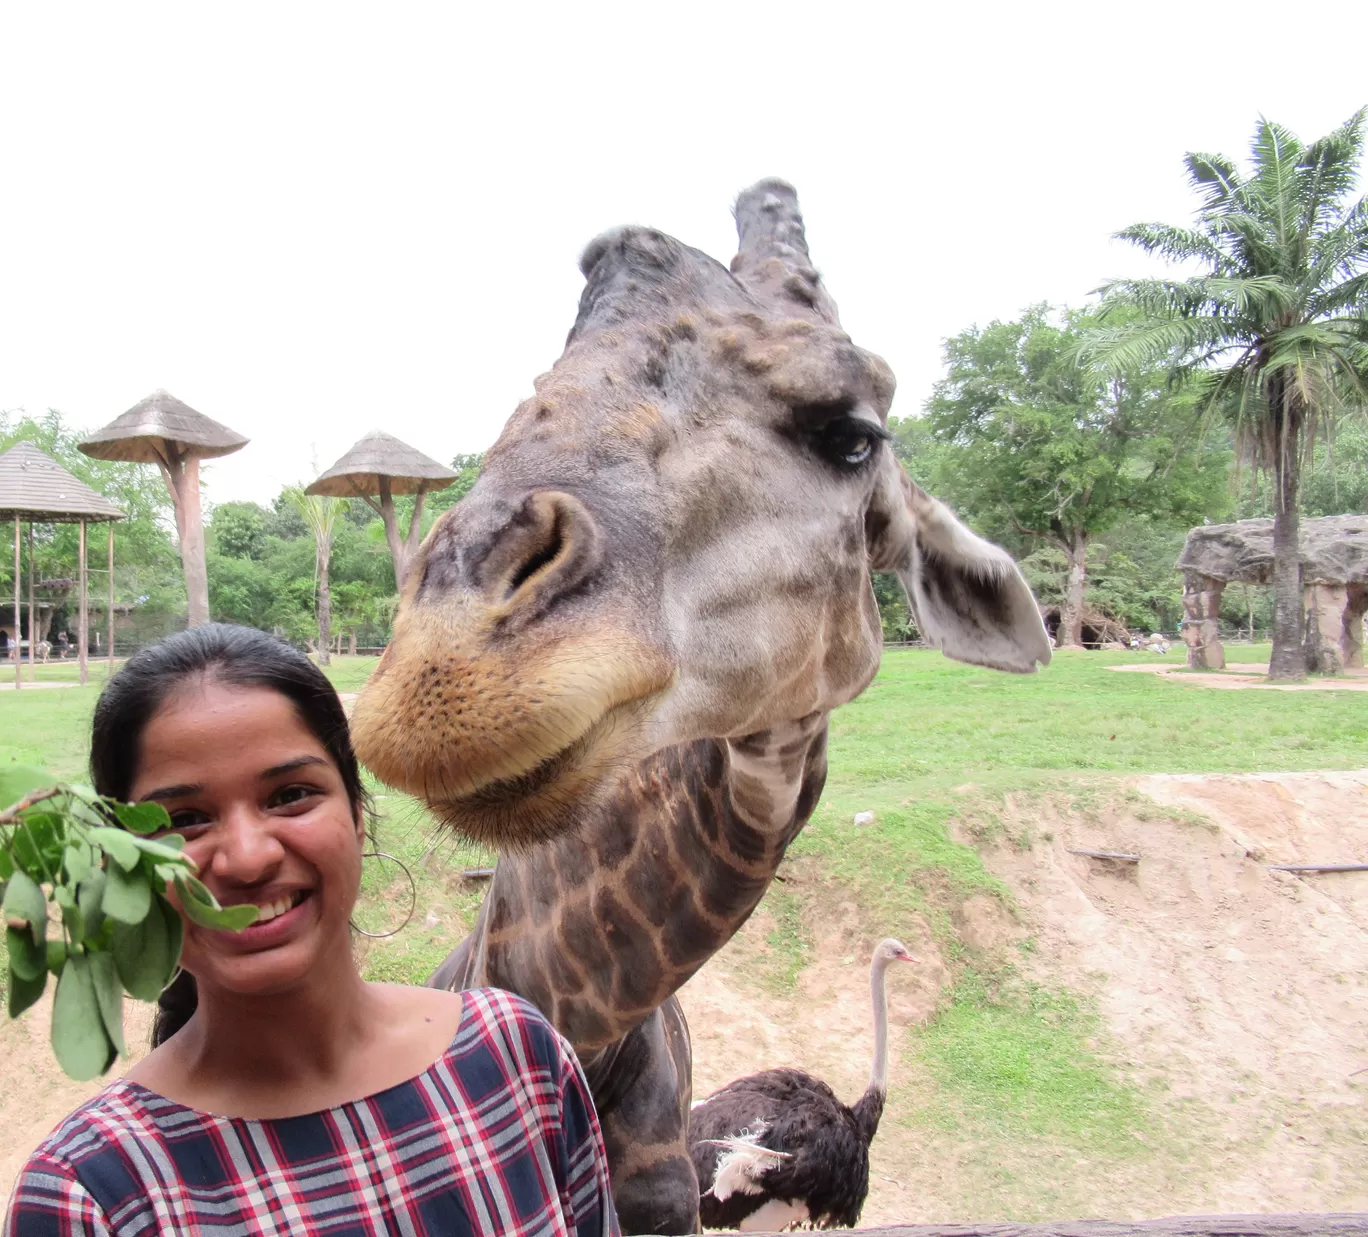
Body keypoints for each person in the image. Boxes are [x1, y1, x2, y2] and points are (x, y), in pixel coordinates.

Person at [5, 624, 618, 1237]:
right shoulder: (91, 1195)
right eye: (185, 820)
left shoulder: (516, 1057)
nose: (247, 858)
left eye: (290, 795)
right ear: (125, 865)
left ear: (356, 811)